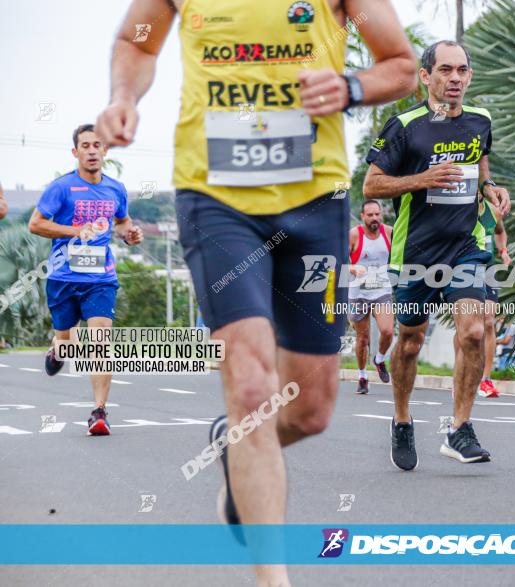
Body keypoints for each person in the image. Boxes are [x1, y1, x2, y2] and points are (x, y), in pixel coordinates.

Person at [96, 2, 415, 585]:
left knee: (311, 409)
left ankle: (233, 445)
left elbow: (400, 65)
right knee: (249, 382)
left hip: (313, 203)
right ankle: (273, 577)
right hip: (215, 198)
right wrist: (124, 97)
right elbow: (138, 41)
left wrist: (349, 86)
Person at [363, 40, 511, 470]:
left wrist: (491, 190)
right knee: (408, 344)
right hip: (416, 253)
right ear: (426, 77)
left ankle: (459, 428)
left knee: (473, 333)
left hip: (465, 248)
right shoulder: (405, 126)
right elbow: (372, 186)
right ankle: (403, 420)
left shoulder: (480, 121)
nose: (455, 79)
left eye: (462, 71)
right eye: (445, 70)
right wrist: (423, 178)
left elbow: (480, 167)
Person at [28, 123, 143, 435]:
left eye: (97, 145)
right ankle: (57, 348)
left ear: (105, 151)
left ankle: (99, 411)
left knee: (101, 341)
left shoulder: (116, 188)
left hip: (100, 277)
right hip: (64, 275)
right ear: (75, 152)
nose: (92, 151)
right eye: (86, 146)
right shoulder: (61, 187)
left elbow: (121, 223)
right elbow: (36, 225)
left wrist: (130, 234)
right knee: (65, 337)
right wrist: (74, 231)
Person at [452, 196, 511, 398]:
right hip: (463, 270)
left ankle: (485, 379)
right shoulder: (457, 209)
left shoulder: (492, 211)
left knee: (488, 322)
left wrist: (503, 251)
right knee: (464, 325)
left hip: (488, 270)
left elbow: (500, 232)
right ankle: (459, 375)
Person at [347, 199, 394, 394]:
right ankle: (362, 375)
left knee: (388, 331)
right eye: (370, 215)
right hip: (358, 293)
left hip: (381, 290)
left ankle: (380, 359)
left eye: (377, 214)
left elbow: (399, 255)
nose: (375, 218)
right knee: (363, 338)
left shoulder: (389, 232)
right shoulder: (354, 235)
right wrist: (352, 267)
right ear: (362, 216)